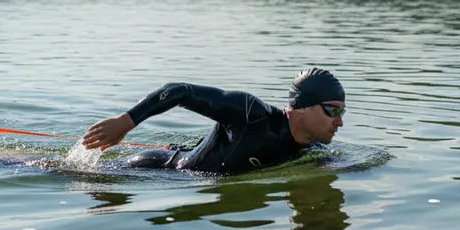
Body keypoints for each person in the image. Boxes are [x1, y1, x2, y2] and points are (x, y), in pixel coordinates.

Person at [81, 67, 345, 175]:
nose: (339, 122)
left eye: (342, 113)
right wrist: (126, 121)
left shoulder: (312, 150)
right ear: (302, 108)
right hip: (162, 169)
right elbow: (179, 90)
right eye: (332, 111)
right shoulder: (251, 114)